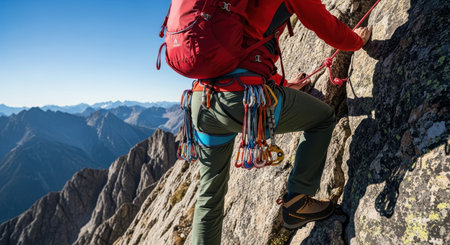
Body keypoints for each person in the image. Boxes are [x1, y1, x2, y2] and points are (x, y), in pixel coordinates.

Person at [190, 0, 372, 244]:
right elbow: (324, 24)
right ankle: (298, 202)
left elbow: (239, 50)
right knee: (323, 118)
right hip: (243, 101)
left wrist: (282, 84)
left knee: (209, 196)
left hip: (201, 100)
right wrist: (356, 41)